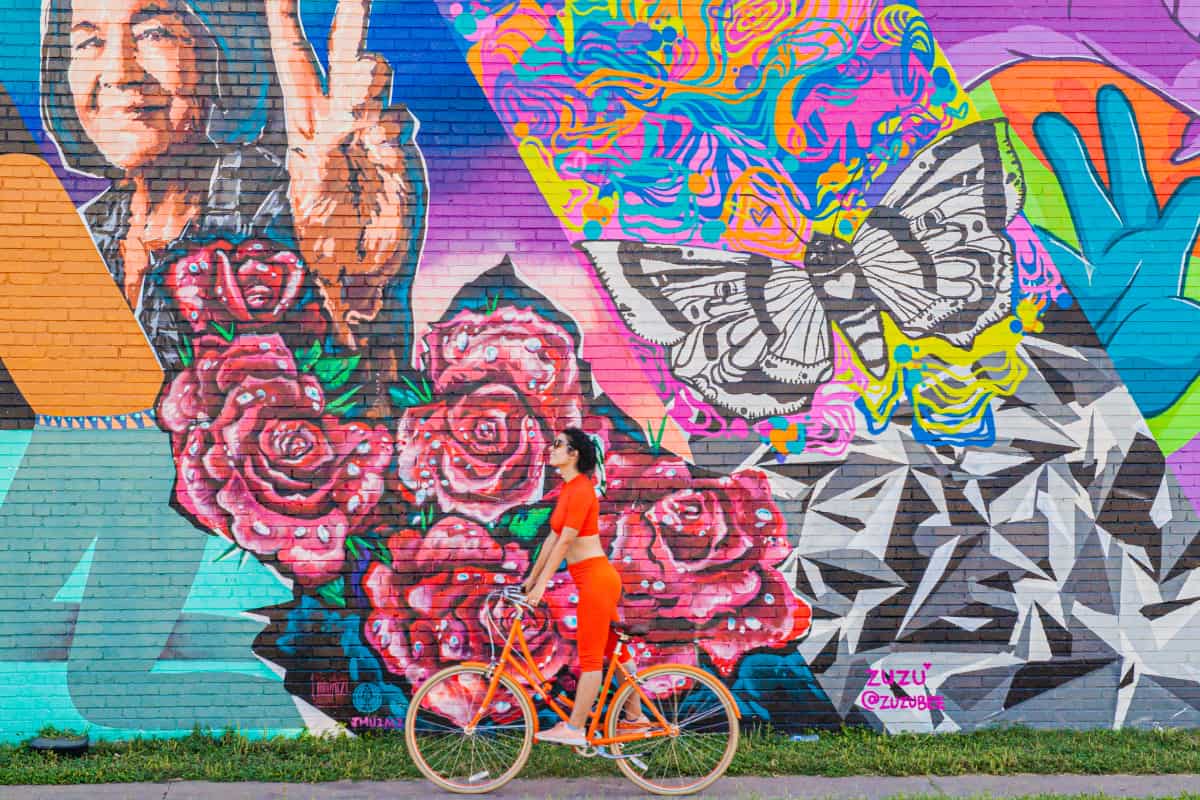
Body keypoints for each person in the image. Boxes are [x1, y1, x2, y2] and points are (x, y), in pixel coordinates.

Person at [39, 0, 427, 373]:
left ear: (221, 53)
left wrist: (348, 296)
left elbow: (360, 392)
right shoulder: (80, 234)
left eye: (154, 33)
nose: (120, 72)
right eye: (88, 42)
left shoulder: (290, 205)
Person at [522, 427, 648, 746]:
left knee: (592, 658)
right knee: (611, 651)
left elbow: (565, 542)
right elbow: (552, 537)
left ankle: (576, 728)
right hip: (592, 580)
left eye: (558, 445)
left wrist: (541, 588)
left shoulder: (581, 490)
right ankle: (636, 718)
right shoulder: (568, 489)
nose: (551, 449)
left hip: (595, 581)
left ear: (574, 454)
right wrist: (532, 579)